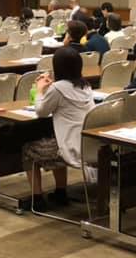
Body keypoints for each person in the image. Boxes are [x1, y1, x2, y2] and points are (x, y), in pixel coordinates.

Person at [21, 47, 94, 211]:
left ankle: (37, 199)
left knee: (28, 149)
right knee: (53, 139)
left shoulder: (57, 88)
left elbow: (41, 111)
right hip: (85, 144)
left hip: (68, 146)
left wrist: (40, 90)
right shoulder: (85, 85)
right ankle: (61, 192)